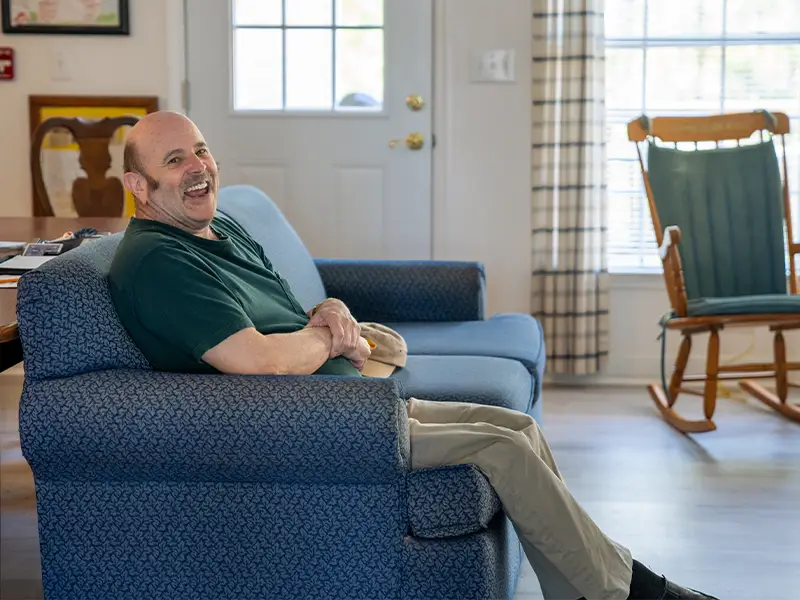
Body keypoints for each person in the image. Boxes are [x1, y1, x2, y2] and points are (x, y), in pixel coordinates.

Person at [108, 111, 720, 600]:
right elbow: (258, 360)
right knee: (502, 449)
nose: (198, 167)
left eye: (202, 150)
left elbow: (287, 314)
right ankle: (633, 593)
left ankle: (591, 590)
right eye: (175, 160)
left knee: (518, 427)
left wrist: (331, 311)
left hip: (351, 403)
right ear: (139, 186)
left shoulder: (221, 228)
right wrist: (331, 339)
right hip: (308, 426)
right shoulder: (161, 261)